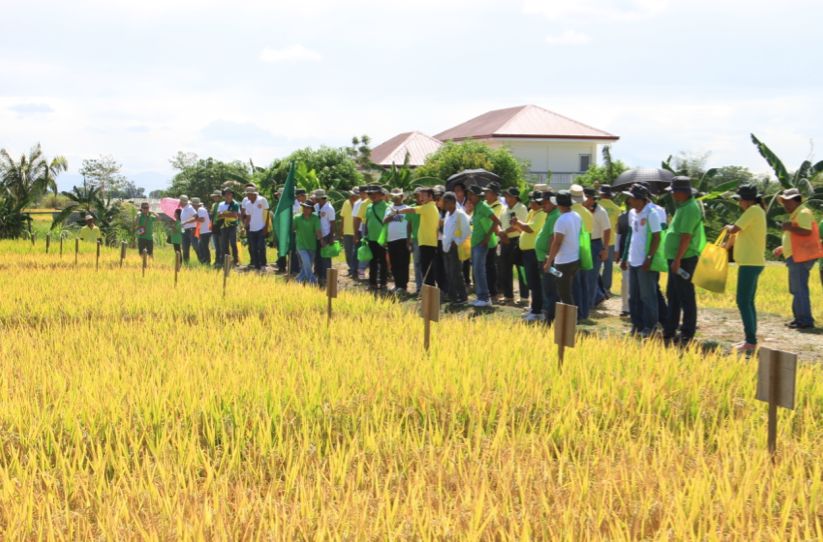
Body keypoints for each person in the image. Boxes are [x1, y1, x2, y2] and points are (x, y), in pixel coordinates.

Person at [724, 185, 767, 352]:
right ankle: (751, 338)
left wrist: (727, 227)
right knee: (748, 301)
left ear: (745, 200)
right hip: (751, 263)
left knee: (743, 301)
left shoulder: (753, 211)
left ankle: (750, 340)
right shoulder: (756, 211)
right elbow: (738, 234)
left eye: (739, 200)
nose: (739, 203)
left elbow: (734, 229)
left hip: (750, 263)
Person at [663, 176, 705, 344]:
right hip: (676, 258)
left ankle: (687, 332)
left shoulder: (690, 208)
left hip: (685, 259)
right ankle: (670, 329)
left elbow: (686, 237)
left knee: (686, 296)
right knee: (673, 295)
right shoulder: (683, 206)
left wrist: (678, 260)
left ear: (682, 192)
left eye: (674, 192)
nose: (672, 195)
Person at [773, 187, 821, 329]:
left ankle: (805, 320)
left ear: (796, 200)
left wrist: (789, 227)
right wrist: (783, 248)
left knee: (799, 289)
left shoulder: (803, 213)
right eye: (784, 202)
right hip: (796, 255)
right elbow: (797, 238)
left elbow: (806, 231)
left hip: (800, 257)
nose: (785, 204)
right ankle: (799, 319)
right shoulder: (797, 214)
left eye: (787, 201)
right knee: (796, 289)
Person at [622, 184, 662, 338]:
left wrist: (649, 258)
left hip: (645, 262)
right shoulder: (632, 213)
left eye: (631, 198)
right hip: (633, 260)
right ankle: (636, 325)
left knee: (647, 296)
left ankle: (650, 327)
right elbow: (631, 235)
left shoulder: (652, 214)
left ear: (640, 199)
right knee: (634, 296)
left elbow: (657, 237)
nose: (629, 201)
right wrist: (625, 257)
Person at [393, 187, 440, 289]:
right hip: (426, 243)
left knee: (427, 271)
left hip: (428, 243)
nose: (421, 198)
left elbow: (411, 210)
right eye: (420, 196)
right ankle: (427, 293)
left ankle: (429, 294)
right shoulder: (428, 206)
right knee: (426, 270)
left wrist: (397, 212)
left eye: (423, 196)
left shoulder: (428, 207)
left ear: (431, 197)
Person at [512, 190, 547, 321]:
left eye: (533, 200)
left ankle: (538, 310)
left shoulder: (542, 214)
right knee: (531, 281)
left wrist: (519, 223)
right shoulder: (532, 212)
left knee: (535, 282)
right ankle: (534, 307)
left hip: (533, 252)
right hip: (527, 252)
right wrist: (517, 225)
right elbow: (524, 230)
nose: (531, 202)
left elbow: (530, 229)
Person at [467, 184, 502, 307]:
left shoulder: (483, 206)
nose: (469, 197)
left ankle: (485, 298)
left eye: (471, 195)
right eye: (469, 194)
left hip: (481, 244)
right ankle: (481, 297)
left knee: (479, 270)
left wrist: (487, 237)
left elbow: (497, 221)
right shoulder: (477, 207)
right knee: (477, 270)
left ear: (477, 196)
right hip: (475, 243)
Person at [543, 191, 581, 306]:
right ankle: (573, 318)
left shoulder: (562, 220)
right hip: (574, 259)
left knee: (564, 293)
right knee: (569, 291)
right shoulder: (576, 216)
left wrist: (549, 262)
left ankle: (569, 321)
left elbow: (557, 242)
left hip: (563, 262)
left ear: (558, 205)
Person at [499, 187, 529, 305]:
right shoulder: (505, 209)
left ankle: (524, 297)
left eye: (509, 196)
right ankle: (508, 295)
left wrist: (505, 232)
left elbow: (520, 225)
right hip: (505, 240)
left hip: (517, 239)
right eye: (506, 196)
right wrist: (502, 233)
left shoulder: (521, 208)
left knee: (520, 269)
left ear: (515, 197)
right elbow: (502, 223)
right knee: (505, 269)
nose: (507, 198)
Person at [584, 187, 612, 308]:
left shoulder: (600, 211)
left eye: (585, 198)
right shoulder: (581, 210)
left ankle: (589, 304)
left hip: (595, 244)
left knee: (591, 275)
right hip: (584, 242)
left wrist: (605, 248)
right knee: (584, 275)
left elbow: (607, 230)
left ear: (591, 199)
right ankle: (597, 296)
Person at [570, 184, 593, 321]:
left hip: (572, 251)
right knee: (584, 284)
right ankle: (584, 312)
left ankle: (576, 313)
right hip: (585, 250)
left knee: (574, 285)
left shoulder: (569, 212)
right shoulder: (587, 213)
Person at [441, 191, 470, 304]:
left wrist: (456, 242)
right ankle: (453, 297)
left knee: (456, 273)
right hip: (446, 247)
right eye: (444, 202)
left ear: (453, 202)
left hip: (455, 248)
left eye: (446, 202)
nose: (444, 205)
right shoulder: (448, 214)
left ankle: (462, 297)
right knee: (449, 273)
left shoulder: (460, 214)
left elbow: (467, 231)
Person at [535, 191, 559, 325]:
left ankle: (549, 319)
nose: (542, 205)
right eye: (541, 203)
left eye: (544, 202)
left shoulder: (555, 216)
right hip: (544, 259)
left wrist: (548, 259)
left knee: (550, 290)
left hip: (547, 260)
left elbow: (553, 239)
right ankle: (548, 316)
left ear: (553, 202)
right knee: (547, 289)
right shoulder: (550, 215)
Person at [384, 188, 411, 293]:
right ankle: (397, 284)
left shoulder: (407, 208)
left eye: (398, 195)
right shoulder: (389, 208)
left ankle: (403, 286)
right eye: (393, 196)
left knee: (403, 262)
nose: (395, 198)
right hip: (391, 239)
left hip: (403, 238)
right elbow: (384, 221)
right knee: (394, 263)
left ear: (402, 197)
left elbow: (410, 223)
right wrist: (393, 215)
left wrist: (409, 240)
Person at [597, 184, 621, 296]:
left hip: (596, 239)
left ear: (601, 194)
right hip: (610, 241)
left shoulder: (596, 206)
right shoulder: (617, 209)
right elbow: (617, 228)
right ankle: (606, 289)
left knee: (595, 266)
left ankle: (597, 289)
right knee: (608, 266)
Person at [362, 186, 388, 290]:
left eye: (375, 194)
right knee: (372, 261)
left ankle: (383, 283)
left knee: (383, 262)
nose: (372, 196)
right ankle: (372, 283)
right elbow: (367, 221)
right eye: (370, 194)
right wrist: (365, 235)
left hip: (382, 239)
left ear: (381, 195)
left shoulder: (387, 206)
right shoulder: (368, 207)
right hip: (371, 238)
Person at [483, 183, 503, 300]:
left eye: (488, 192)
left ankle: (494, 291)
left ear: (495, 194)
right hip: (482, 239)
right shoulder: (485, 204)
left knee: (491, 266)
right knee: (485, 266)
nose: (486, 194)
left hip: (493, 240)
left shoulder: (498, 206)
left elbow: (495, 222)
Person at [293, 200, 321, 284]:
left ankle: (298, 280)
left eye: (308, 208)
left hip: (312, 246)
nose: (305, 209)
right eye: (304, 207)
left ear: (311, 209)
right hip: (301, 245)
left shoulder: (315, 218)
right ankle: (312, 281)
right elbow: (292, 228)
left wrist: (322, 240)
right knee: (307, 263)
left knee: (306, 266)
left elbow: (318, 231)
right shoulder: (297, 217)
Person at [313, 189, 336, 285]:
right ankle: (318, 274)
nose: (315, 199)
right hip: (317, 235)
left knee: (325, 258)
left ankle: (326, 278)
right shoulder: (316, 206)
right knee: (317, 257)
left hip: (326, 235)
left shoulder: (329, 208)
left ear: (322, 198)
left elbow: (332, 224)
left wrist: (331, 237)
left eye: (317, 198)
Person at [243, 187, 269, 270]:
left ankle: (263, 264)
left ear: (254, 194)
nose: (248, 196)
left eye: (249, 194)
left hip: (261, 227)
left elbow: (267, 214)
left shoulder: (262, 200)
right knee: (253, 248)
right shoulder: (247, 203)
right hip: (252, 228)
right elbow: (248, 216)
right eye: (247, 194)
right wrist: (245, 226)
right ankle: (257, 265)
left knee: (261, 246)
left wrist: (266, 227)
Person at [615, 201, 632, 317]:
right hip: (626, 254)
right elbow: (619, 235)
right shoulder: (622, 218)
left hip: (637, 254)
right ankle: (625, 307)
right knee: (625, 281)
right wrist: (617, 251)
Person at [216, 188, 241, 267]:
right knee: (224, 244)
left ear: (232, 195)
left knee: (233, 243)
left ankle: (236, 260)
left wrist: (224, 214)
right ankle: (227, 260)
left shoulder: (235, 204)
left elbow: (234, 215)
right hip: (223, 226)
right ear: (224, 195)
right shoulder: (221, 204)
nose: (228, 195)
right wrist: (227, 214)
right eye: (226, 194)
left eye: (229, 194)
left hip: (232, 226)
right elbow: (218, 215)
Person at [340, 188, 359, 278]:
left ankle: (355, 270)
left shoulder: (360, 204)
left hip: (357, 231)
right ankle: (351, 268)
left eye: (353, 195)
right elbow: (343, 217)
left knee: (355, 252)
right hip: (347, 231)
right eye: (351, 195)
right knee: (347, 251)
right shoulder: (346, 203)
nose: (351, 196)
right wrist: (341, 229)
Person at [192, 197, 212, 265]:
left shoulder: (201, 209)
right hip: (203, 231)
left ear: (195, 205)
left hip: (205, 231)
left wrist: (195, 219)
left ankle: (207, 261)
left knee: (204, 247)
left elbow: (202, 219)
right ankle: (205, 261)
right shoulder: (199, 210)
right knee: (201, 247)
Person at [179, 195, 197, 264]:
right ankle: (186, 263)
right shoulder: (183, 209)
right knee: (185, 248)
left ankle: (203, 261)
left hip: (191, 230)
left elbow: (195, 217)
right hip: (184, 230)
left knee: (196, 247)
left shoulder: (190, 208)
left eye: (180, 201)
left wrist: (186, 222)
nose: (179, 202)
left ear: (183, 202)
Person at [209, 190, 223, 266]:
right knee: (216, 245)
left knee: (221, 245)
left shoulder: (222, 204)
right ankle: (217, 260)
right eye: (214, 196)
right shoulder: (214, 204)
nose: (214, 197)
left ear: (219, 197)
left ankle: (221, 261)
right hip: (214, 225)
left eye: (216, 196)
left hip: (220, 225)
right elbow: (212, 214)